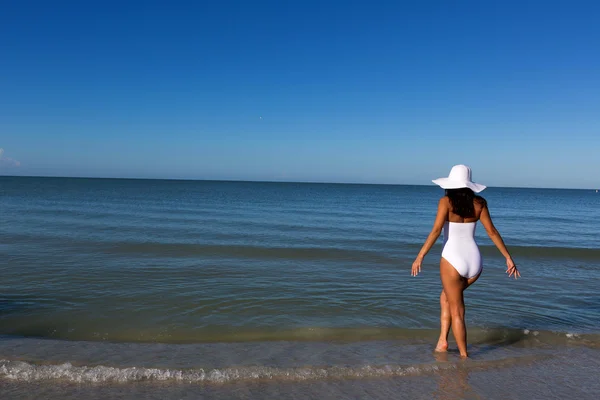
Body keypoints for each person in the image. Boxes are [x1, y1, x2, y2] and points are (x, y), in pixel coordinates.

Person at [411, 164, 520, 358]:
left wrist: (420, 256)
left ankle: (464, 358)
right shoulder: (480, 203)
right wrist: (508, 258)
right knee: (446, 297)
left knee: (458, 312)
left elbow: (436, 231)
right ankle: (442, 341)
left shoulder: (445, 202)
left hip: (453, 260)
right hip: (475, 263)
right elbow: (492, 232)